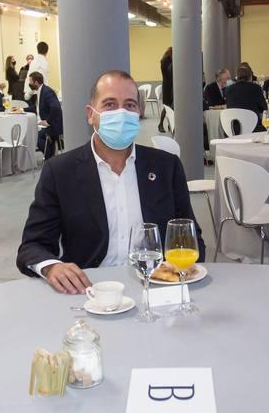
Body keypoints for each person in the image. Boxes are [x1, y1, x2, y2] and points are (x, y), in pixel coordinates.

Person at [16, 70, 205, 293]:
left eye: (130, 105)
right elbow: (33, 245)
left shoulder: (166, 167)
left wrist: (176, 268)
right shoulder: (60, 172)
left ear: (139, 112)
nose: (121, 113)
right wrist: (52, 267)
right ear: (91, 114)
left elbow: (191, 240)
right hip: (90, 290)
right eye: (109, 104)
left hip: (158, 288)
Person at [221, 64, 269, 132]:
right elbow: (264, 108)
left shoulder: (228, 89)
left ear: (237, 77)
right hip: (254, 128)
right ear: (250, 77)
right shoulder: (256, 88)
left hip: (233, 129)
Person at [30, 71, 63, 160]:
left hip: (53, 124)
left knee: (35, 137)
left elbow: (56, 108)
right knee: (33, 132)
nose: (29, 84)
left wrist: (48, 121)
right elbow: (36, 107)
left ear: (36, 82)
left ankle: (49, 159)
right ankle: (51, 156)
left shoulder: (47, 91)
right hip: (43, 123)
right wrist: (21, 109)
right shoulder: (40, 90)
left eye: (30, 82)